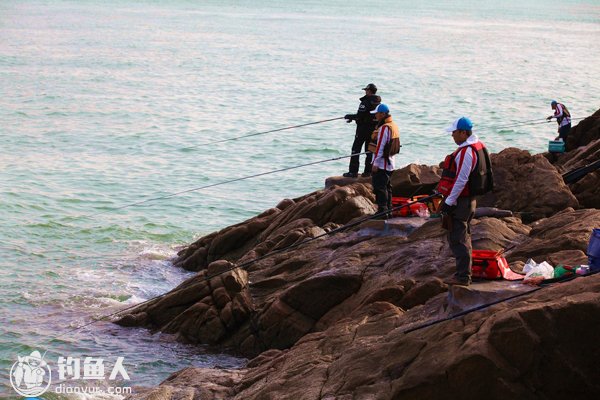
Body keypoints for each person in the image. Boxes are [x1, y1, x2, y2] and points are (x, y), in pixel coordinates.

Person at [437, 117, 492, 286]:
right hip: (469, 201)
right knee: (464, 236)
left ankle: (463, 277)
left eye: (454, 133)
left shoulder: (466, 151)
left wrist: (449, 202)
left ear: (463, 132)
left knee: (458, 238)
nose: (452, 136)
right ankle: (464, 273)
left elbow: (461, 179)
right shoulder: (478, 146)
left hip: (461, 202)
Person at [343, 83, 381, 178]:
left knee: (356, 149)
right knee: (369, 151)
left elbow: (360, 116)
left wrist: (349, 116)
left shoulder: (365, 102)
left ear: (369, 91)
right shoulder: (378, 103)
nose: (365, 92)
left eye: (366, 90)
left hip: (362, 130)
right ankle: (368, 172)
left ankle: (353, 172)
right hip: (373, 130)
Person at [370, 103, 400, 219]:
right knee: (387, 187)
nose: (376, 116)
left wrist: (375, 163)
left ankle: (382, 211)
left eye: (377, 114)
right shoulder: (393, 126)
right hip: (390, 163)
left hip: (382, 164)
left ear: (382, 114)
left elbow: (380, 147)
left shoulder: (384, 128)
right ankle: (389, 210)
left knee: (380, 187)